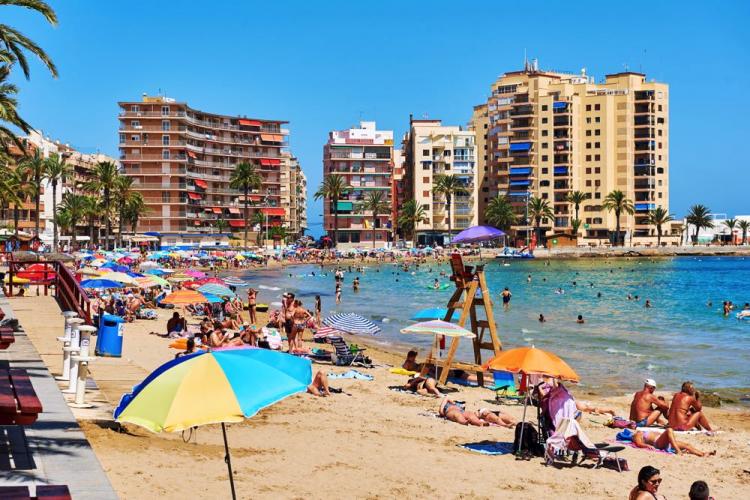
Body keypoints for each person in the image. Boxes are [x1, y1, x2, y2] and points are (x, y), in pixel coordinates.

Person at [632, 428, 715, 457]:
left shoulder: (642, 431)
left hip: (665, 441)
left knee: (687, 445)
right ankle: (678, 451)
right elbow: (638, 444)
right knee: (669, 430)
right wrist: (646, 445)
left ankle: (703, 454)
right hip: (658, 443)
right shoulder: (637, 434)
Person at [438, 398, 515, 428]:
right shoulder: (447, 405)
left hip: (462, 411)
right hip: (450, 411)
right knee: (457, 415)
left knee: (470, 415)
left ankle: (479, 423)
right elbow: (441, 411)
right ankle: (464, 422)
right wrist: (448, 401)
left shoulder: (459, 405)